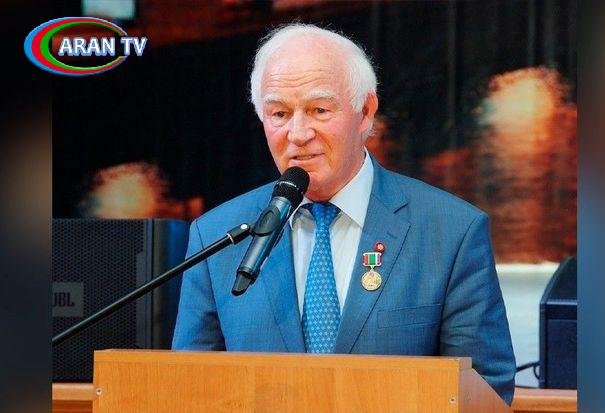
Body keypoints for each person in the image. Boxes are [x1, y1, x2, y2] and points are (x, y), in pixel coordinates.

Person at [172, 23, 516, 405]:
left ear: (365, 112)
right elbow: (189, 389)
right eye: (280, 113)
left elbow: (486, 392)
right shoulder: (217, 236)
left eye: (319, 110)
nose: (298, 133)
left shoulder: (450, 232)